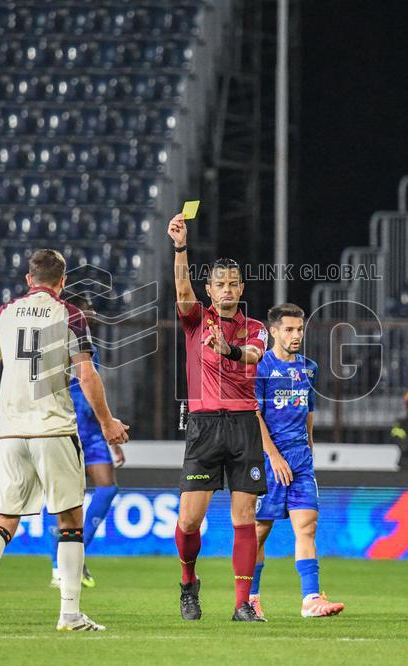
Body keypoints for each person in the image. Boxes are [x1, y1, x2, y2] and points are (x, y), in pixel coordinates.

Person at [0, 249, 129, 633]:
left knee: (2, 521)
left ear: (28, 279)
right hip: (53, 430)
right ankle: (69, 614)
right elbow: (86, 376)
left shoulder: (4, 313)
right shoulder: (70, 315)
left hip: (11, 434)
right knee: (70, 520)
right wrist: (107, 422)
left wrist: (1, 405)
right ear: (62, 281)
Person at [167, 212, 268, 622]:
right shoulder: (195, 321)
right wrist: (180, 247)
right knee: (190, 520)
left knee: (244, 517)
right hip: (205, 425)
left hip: (243, 425)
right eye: (219, 284)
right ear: (208, 290)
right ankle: (188, 584)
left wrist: (227, 349)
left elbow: (254, 357)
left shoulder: (256, 328)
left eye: (233, 284)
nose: (226, 290)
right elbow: (180, 286)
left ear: (241, 288)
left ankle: (242, 604)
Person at [250, 303, 344, 619]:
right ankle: (250, 596)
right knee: (260, 531)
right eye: (289, 329)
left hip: (301, 460)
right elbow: (256, 415)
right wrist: (273, 456)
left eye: (299, 329)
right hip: (268, 461)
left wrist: (310, 446)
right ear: (273, 331)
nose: (296, 335)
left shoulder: (308, 368)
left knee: (306, 526)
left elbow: (308, 411)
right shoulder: (261, 367)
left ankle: (310, 599)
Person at [48, 294, 125, 590]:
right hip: (66, 427)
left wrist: (110, 429)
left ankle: (76, 554)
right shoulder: (57, 345)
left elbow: (94, 391)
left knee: (107, 487)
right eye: (86, 308)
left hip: (92, 430)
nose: (91, 313)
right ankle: (59, 565)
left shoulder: (88, 345)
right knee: (67, 499)